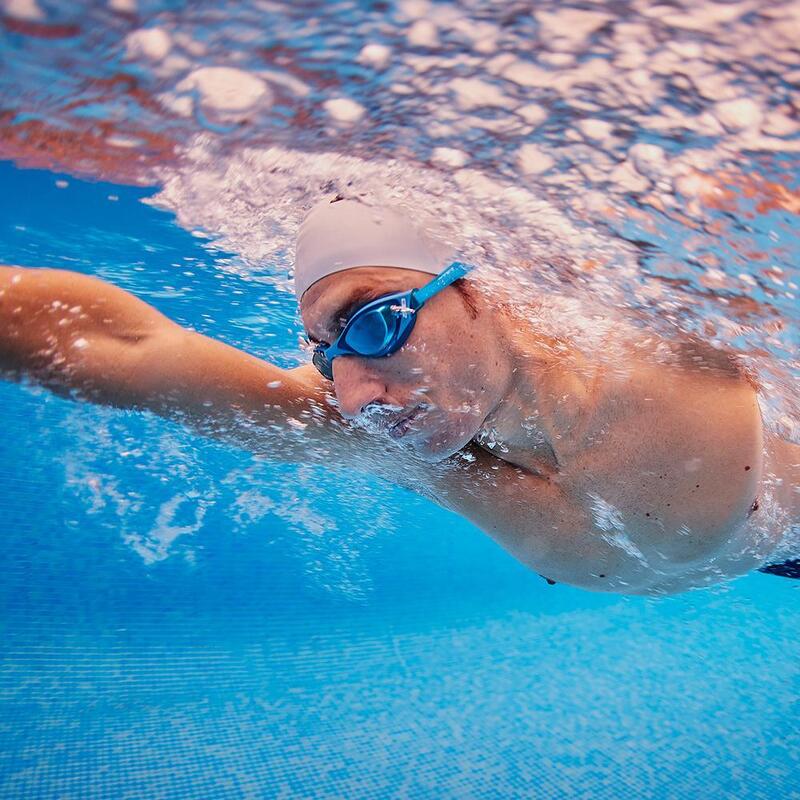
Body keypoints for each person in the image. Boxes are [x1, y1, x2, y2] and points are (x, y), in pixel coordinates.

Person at [1, 197, 797, 594]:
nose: (354, 394)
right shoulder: (405, 413)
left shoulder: (660, 395)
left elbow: (627, 560)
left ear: (481, 295)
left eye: (377, 321)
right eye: (326, 354)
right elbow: (131, 348)